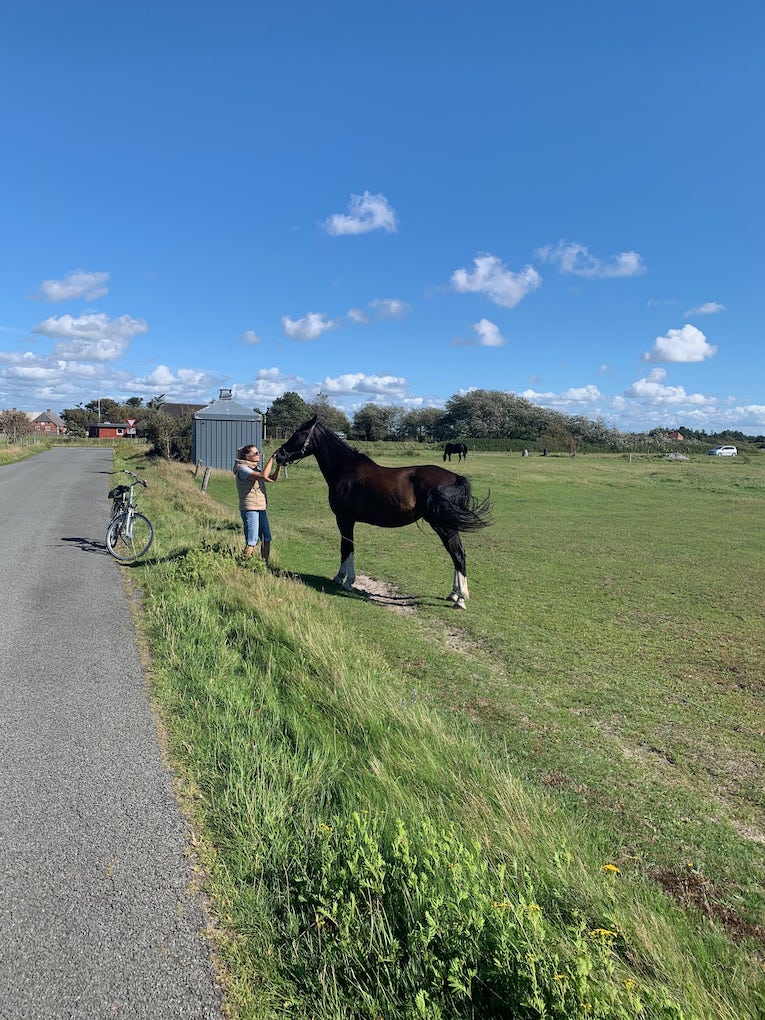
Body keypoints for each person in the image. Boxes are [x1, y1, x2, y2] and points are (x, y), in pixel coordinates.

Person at [233, 444, 280, 562]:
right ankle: (244, 564)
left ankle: (264, 565)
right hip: (250, 509)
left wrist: (279, 464)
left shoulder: (255, 469)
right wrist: (271, 459)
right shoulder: (242, 469)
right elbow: (263, 475)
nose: (258, 455)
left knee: (266, 538)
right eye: (255, 453)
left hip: (260, 507)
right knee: (252, 541)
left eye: (258, 452)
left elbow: (273, 478)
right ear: (247, 457)